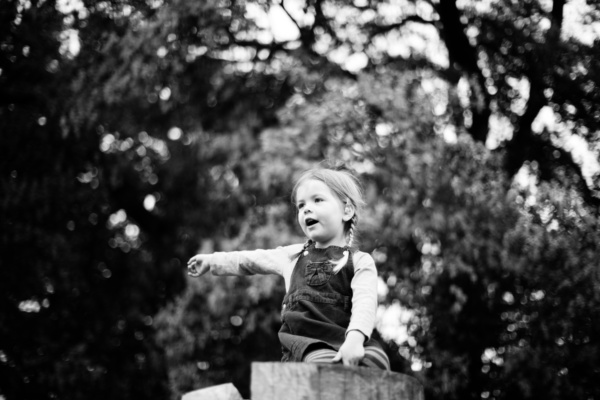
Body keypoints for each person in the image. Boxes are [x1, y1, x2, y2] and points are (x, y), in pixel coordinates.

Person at [187, 163, 390, 370]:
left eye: (317, 200)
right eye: (301, 206)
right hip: (307, 346)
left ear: (347, 210)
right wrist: (212, 261)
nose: (306, 209)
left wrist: (355, 341)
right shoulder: (292, 256)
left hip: (347, 339)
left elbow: (365, 303)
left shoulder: (359, 261)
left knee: (378, 360)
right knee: (323, 365)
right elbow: (249, 260)